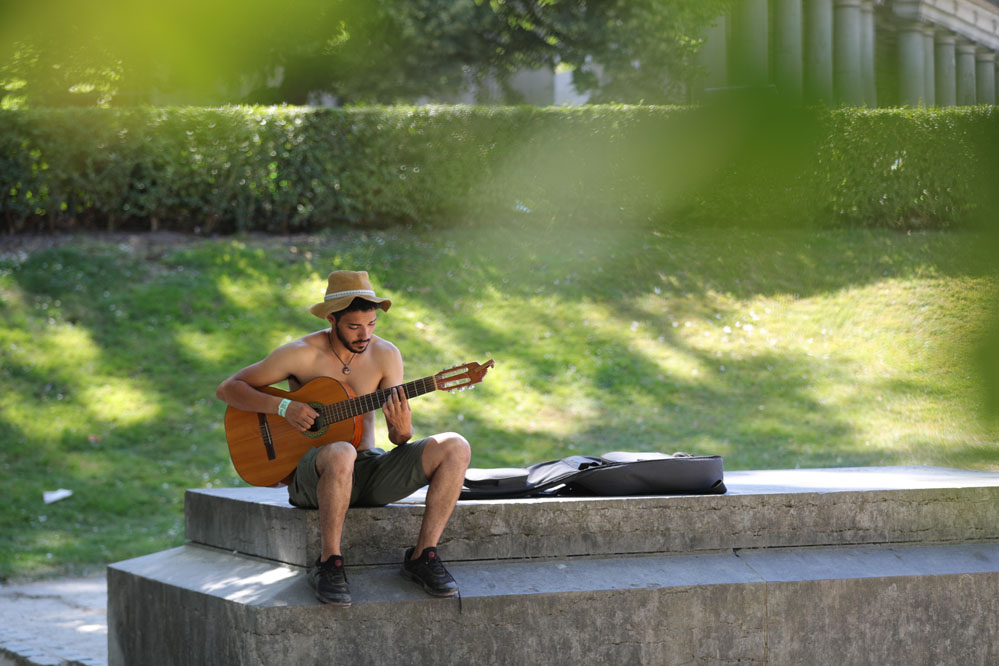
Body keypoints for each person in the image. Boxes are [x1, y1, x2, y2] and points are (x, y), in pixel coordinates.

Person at [216, 270, 471, 607]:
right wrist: (283, 406)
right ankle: (329, 563)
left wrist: (403, 430)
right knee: (340, 452)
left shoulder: (386, 355)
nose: (365, 335)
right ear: (332, 320)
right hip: (315, 475)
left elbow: (398, 437)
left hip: (367, 468)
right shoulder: (301, 353)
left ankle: (422, 556)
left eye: (372, 324)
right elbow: (228, 389)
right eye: (354, 326)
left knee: (455, 446)